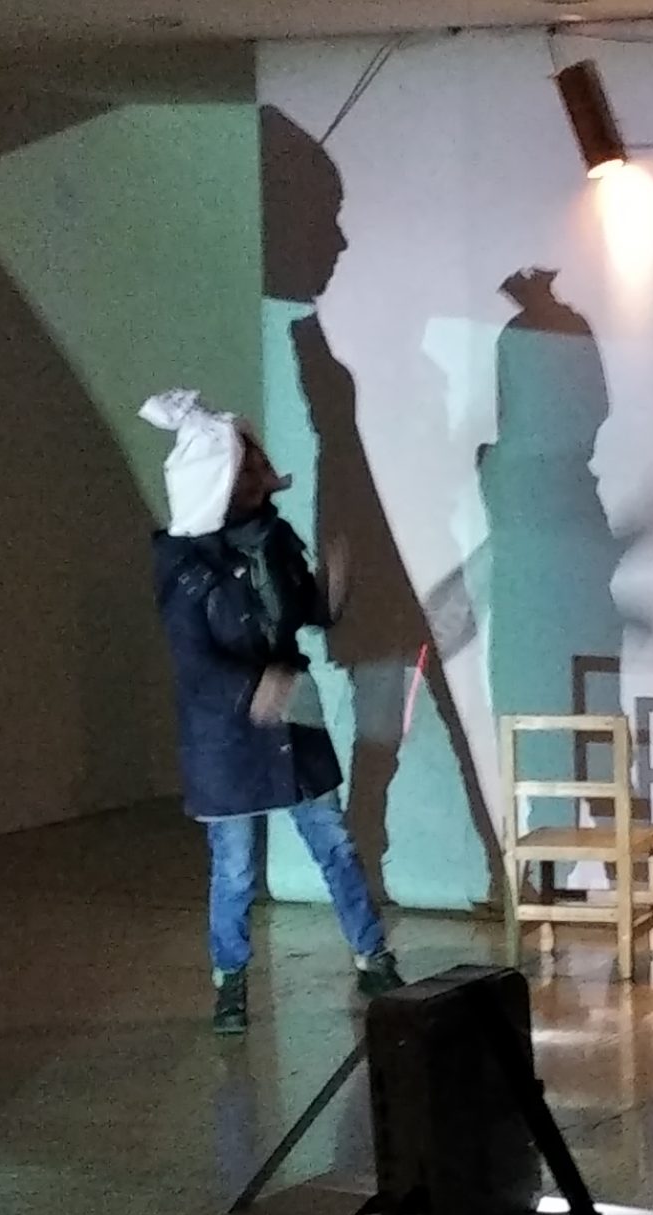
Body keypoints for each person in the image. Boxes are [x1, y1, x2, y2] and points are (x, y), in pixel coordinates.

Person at [144, 389, 403, 1035]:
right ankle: (230, 982)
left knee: (334, 844)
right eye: (250, 461)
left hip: (293, 719)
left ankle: (373, 957)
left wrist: (331, 594)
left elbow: (305, 613)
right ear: (223, 480)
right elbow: (195, 665)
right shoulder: (186, 566)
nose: (263, 466)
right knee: (234, 867)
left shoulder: (276, 538)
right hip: (227, 739)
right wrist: (253, 688)